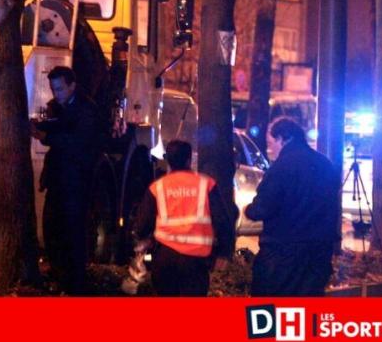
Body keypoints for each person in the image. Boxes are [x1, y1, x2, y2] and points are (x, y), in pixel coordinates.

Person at [244, 117, 340, 297]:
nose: (271, 149)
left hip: (284, 252)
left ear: (282, 138)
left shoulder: (282, 167)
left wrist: (249, 210)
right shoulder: (325, 165)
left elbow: (264, 207)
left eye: (271, 143)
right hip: (319, 251)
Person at [133, 140, 238, 296]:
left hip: (164, 259)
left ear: (168, 160)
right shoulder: (206, 184)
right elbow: (223, 221)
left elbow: (141, 225)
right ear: (189, 160)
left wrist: (144, 239)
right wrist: (225, 252)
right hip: (195, 262)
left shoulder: (158, 187)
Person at [30, 66, 100, 294]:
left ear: (72, 86)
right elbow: (59, 126)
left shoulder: (86, 110)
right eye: (53, 89)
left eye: (60, 88)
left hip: (75, 182)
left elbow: (77, 140)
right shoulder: (62, 107)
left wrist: (46, 136)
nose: (56, 93)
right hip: (60, 181)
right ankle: (60, 274)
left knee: (72, 231)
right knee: (52, 227)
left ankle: (74, 282)